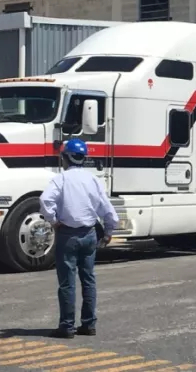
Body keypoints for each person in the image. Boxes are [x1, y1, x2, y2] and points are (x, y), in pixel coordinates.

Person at [40, 138, 119, 339]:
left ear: (65, 158)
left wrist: (53, 220)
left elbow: (45, 200)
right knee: (88, 280)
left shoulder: (61, 178)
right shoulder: (93, 179)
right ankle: (89, 324)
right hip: (89, 234)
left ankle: (67, 326)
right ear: (83, 158)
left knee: (67, 283)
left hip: (68, 234)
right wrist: (109, 230)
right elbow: (107, 208)